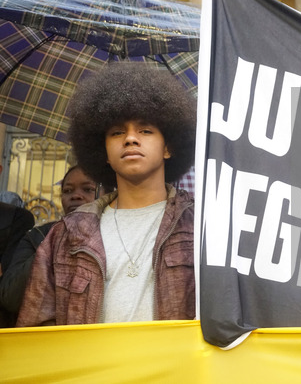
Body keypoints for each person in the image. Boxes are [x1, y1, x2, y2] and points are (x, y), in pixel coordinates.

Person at [16, 62, 196, 326]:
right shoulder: (67, 234)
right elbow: (37, 328)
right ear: (105, 155)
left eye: (145, 130)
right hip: (89, 366)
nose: (131, 139)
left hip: (177, 367)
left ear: (168, 147)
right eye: (117, 132)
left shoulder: (200, 226)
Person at [0, 165, 103, 327]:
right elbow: (11, 297)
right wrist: (54, 241)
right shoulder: (37, 237)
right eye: (68, 191)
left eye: (88, 189)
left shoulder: (115, 236)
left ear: (106, 194)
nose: (76, 196)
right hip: (51, 340)